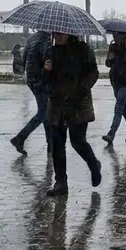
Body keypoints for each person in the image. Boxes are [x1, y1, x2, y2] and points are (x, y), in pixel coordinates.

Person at [42, 32, 102, 197]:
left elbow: (93, 73)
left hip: (77, 103)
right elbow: (45, 81)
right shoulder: (50, 52)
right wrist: (46, 71)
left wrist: (82, 88)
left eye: (61, 33)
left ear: (69, 33)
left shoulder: (83, 50)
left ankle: (94, 164)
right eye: (55, 32)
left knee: (78, 141)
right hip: (57, 104)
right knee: (57, 144)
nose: (57, 35)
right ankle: (61, 182)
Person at [10, 30, 52, 156]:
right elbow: (47, 63)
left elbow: (24, 61)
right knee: (43, 113)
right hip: (40, 80)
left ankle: (51, 145)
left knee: (45, 111)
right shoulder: (47, 42)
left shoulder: (31, 39)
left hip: (31, 79)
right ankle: (20, 138)